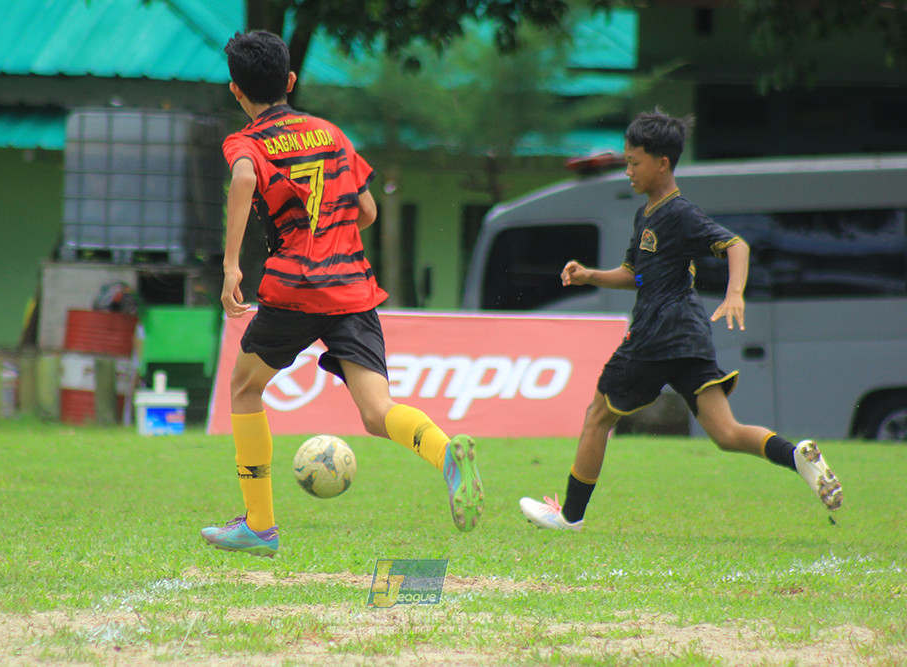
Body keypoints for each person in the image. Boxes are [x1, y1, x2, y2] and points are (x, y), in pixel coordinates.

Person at [200, 30, 484, 558]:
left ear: (236, 91)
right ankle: (446, 455)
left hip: (295, 287)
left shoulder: (247, 142)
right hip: (352, 287)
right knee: (377, 412)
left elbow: (242, 180)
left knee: (244, 389)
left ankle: (259, 526)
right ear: (290, 81)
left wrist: (231, 266)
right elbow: (369, 211)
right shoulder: (331, 134)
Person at [519, 109, 842, 531]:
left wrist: (734, 294)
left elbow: (736, 245)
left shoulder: (680, 212)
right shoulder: (646, 215)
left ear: (662, 163)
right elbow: (636, 274)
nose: (628, 171)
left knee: (598, 416)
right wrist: (589, 275)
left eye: (634, 163)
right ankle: (794, 455)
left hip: (657, 334)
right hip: (689, 336)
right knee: (726, 433)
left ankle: (570, 517)